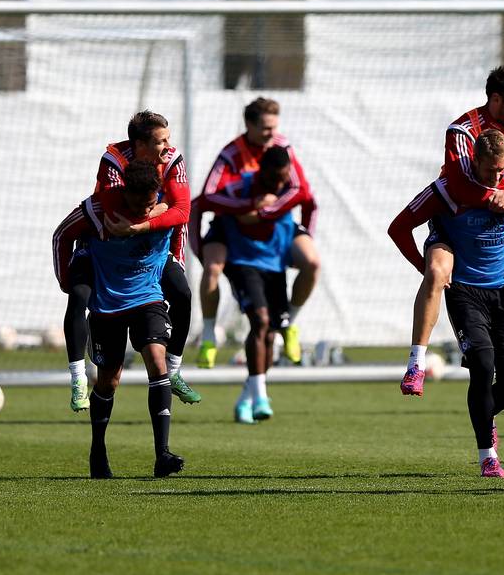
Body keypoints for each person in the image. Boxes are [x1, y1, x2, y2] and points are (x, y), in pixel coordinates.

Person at [398, 64, 504, 397]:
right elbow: (458, 184)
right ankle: (416, 363)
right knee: (438, 272)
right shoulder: (462, 130)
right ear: (495, 99)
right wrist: (420, 266)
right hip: (457, 223)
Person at [388, 130, 504, 477]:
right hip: (466, 291)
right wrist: (425, 268)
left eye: (502, 171)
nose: (496, 179)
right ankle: (488, 455)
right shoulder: (448, 188)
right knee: (483, 365)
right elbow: (399, 227)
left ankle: (486, 415)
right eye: (489, 171)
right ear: (474, 161)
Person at [56, 110, 201, 413]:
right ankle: (78, 378)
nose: (168, 147)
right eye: (161, 141)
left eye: (168, 140)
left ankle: (174, 370)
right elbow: (115, 214)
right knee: (79, 296)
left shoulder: (172, 159)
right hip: (98, 250)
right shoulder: (112, 162)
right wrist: (67, 282)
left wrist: (147, 222)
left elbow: (183, 212)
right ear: (140, 145)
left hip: (152, 250)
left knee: (183, 293)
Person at [52, 160, 185, 479]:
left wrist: (175, 265)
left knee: (157, 359)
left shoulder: (168, 209)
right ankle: (98, 449)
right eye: (140, 204)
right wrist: (68, 280)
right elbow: (61, 235)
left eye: (151, 203)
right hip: (108, 304)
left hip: (148, 297)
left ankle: (162, 454)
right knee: (109, 380)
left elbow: (182, 222)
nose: (146, 210)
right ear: (126, 194)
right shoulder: (99, 212)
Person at [193, 98, 319, 368]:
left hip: (275, 227)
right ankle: (208, 336)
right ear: (248, 125)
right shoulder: (231, 154)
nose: (272, 134)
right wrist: (246, 208)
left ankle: (289, 324)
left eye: (275, 127)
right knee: (212, 268)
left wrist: (267, 214)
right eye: (265, 128)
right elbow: (207, 198)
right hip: (231, 228)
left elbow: (302, 192)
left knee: (312, 262)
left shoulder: (282, 146)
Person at [196, 145, 313, 424]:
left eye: (285, 177)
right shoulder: (238, 189)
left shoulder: (288, 190)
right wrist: (200, 247)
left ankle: (247, 399)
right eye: (276, 177)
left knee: (269, 332)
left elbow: (309, 201)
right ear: (262, 171)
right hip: (243, 263)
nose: (281, 183)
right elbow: (200, 203)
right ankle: (261, 395)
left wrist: (306, 235)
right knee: (259, 322)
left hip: (274, 265)